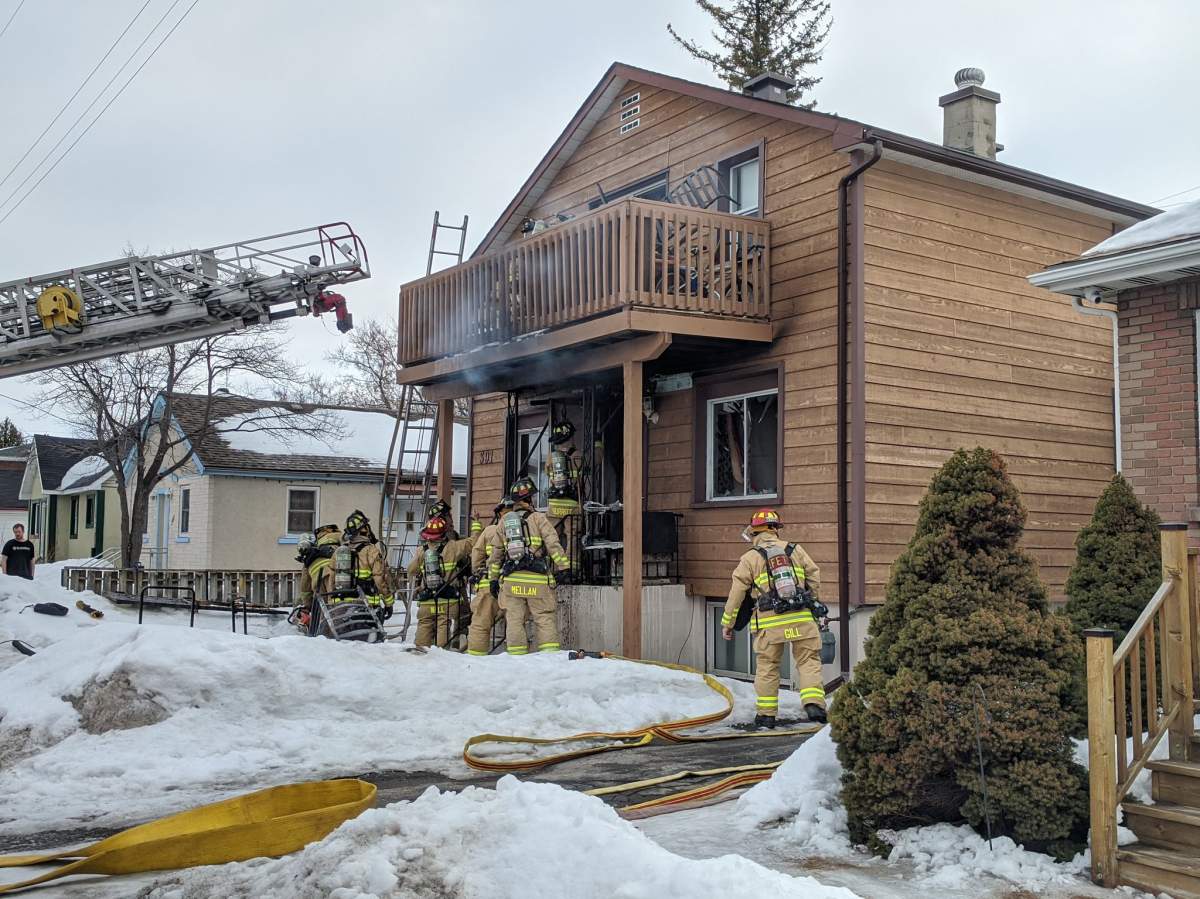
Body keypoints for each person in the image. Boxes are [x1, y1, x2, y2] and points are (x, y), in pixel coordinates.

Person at [721, 509, 827, 728]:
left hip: (769, 625)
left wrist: (728, 623)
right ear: (776, 529)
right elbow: (814, 576)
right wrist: (813, 602)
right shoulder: (795, 550)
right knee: (808, 662)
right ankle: (814, 703)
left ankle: (766, 715)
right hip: (802, 618)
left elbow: (736, 594)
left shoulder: (750, 557)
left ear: (754, 531)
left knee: (768, 667)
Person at [486, 476, 570, 654]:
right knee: (544, 618)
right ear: (529, 499)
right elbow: (553, 543)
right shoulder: (539, 518)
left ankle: (517, 658)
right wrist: (563, 567)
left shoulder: (504, 522)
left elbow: (495, 555)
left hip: (512, 581)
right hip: (537, 580)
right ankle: (550, 657)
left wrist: (493, 580)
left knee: (515, 620)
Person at [407, 513, 473, 649]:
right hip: (448, 601)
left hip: (427, 600)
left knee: (424, 625)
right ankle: (442, 652)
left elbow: (411, 571)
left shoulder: (421, 551)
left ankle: (420, 653)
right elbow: (474, 542)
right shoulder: (453, 547)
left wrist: (419, 587)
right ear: (444, 533)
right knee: (443, 625)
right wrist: (476, 525)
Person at [466, 496, 512, 656]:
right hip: (516, 585)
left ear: (499, 513)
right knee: (515, 624)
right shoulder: (526, 528)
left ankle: (475, 659)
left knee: (480, 624)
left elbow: (476, 554)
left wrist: (478, 572)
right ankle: (517, 660)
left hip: (489, 586)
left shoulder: (490, 531)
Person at [343, 510, 394, 621]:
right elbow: (380, 580)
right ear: (364, 529)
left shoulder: (341, 551)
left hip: (343, 607)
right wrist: (389, 603)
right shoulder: (371, 551)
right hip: (368, 608)